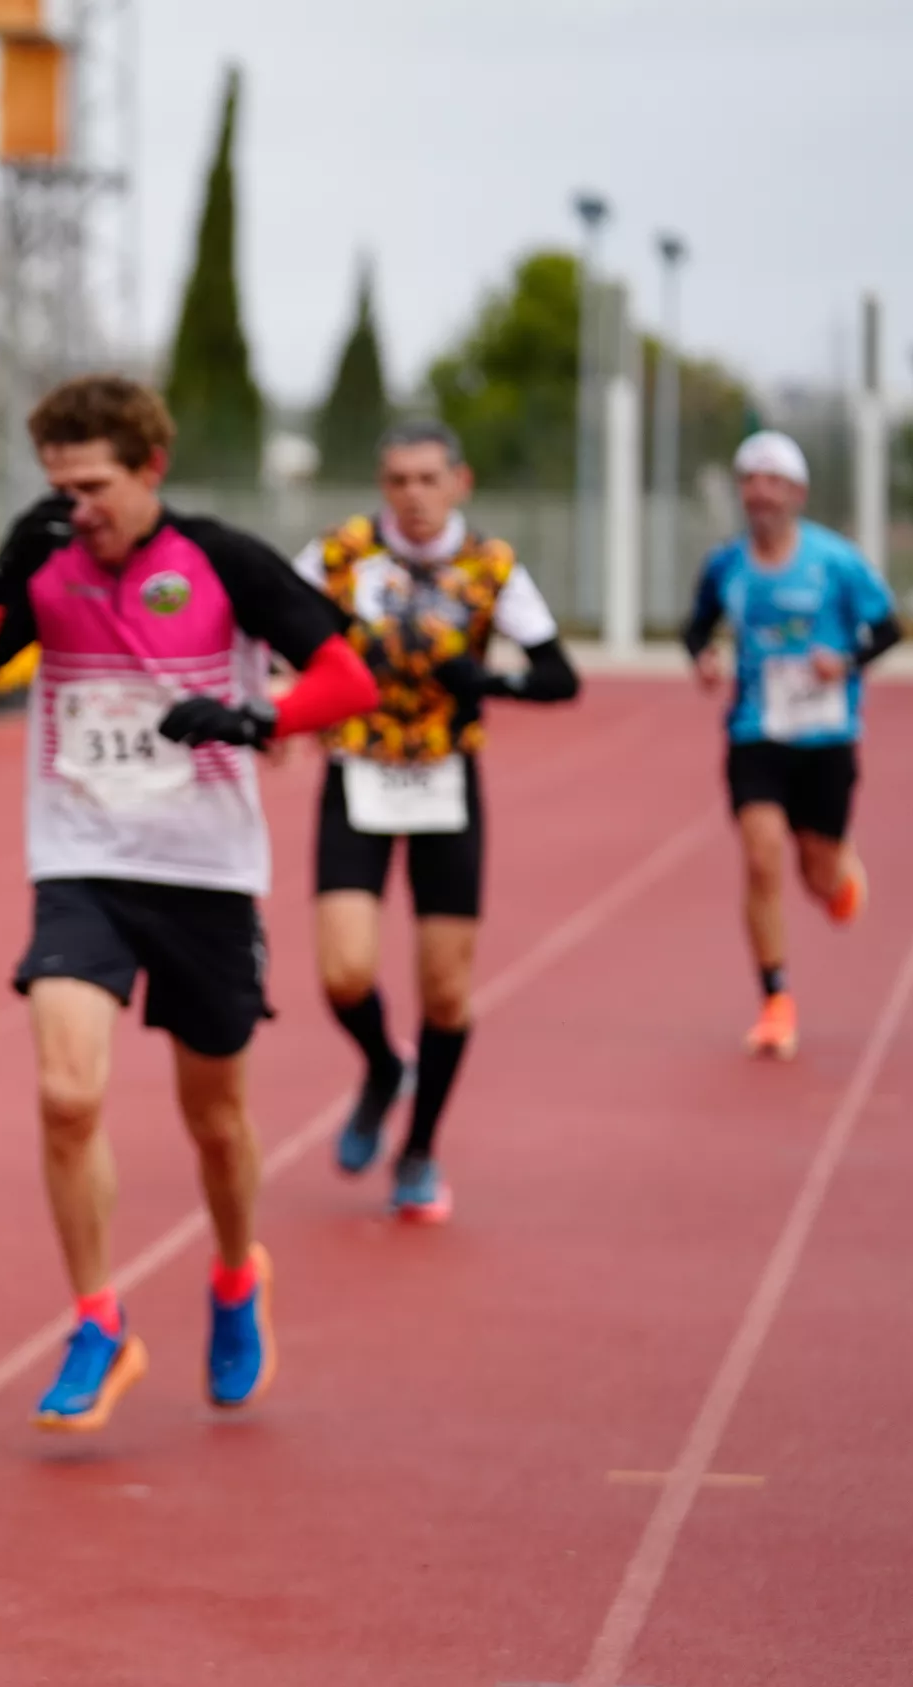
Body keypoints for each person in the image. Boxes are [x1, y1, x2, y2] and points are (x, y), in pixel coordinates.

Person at [0, 374, 375, 1432]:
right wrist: (0, 579)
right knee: (68, 1093)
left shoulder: (222, 558)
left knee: (215, 1119)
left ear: (150, 470)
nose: (80, 507)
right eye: (60, 487)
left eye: (96, 486)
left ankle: (232, 1273)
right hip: (81, 863)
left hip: (207, 874)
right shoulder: (45, 569)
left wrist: (253, 716)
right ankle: (98, 1317)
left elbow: (350, 680)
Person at [298, 421, 578, 1222]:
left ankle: (418, 1149)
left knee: (447, 992)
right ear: (381, 486)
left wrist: (487, 681)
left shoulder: (491, 567)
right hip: (358, 775)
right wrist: (290, 707)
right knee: (344, 973)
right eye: (397, 480)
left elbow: (561, 676)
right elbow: (274, 630)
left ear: (462, 481)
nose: (413, 496)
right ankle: (386, 1065)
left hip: (446, 787)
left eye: (428, 479)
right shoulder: (340, 556)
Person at [682, 430, 903, 1058]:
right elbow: (696, 625)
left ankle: (838, 873)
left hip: (827, 736)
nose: (761, 493)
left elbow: (886, 627)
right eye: (750, 480)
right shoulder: (726, 564)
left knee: (817, 872)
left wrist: (849, 660)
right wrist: (703, 658)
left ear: (797, 494)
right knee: (760, 855)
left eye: (774, 482)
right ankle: (775, 998)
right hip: (755, 731)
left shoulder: (836, 561)